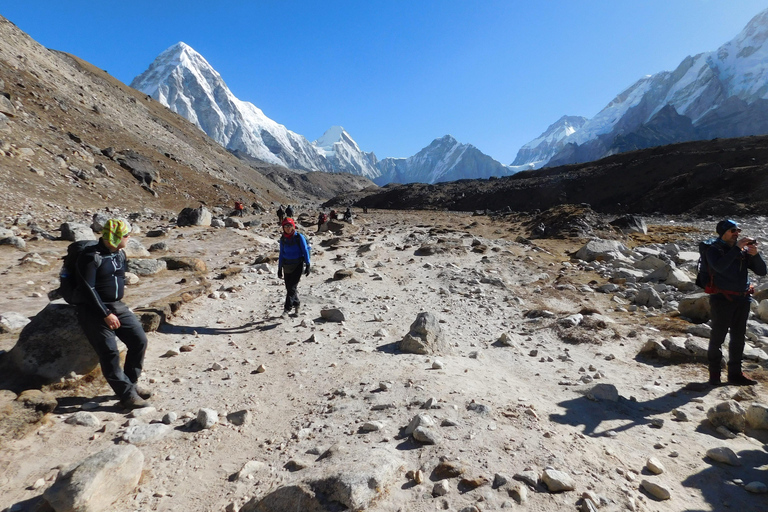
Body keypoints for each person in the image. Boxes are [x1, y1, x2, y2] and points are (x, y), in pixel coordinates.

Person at [74, 219, 152, 409]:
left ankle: (131, 385)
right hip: (93, 309)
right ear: (116, 237)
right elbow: (88, 289)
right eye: (126, 235)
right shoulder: (90, 257)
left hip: (117, 306)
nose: (129, 238)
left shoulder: (119, 254)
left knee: (139, 340)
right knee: (110, 353)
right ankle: (127, 396)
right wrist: (105, 314)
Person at [706, 219, 767, 386]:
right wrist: (736, 248)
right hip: (722, 300)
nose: (737, 233)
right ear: (723, 232)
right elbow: (719, 267)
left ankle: (735, 374)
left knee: (738, 338)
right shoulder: (714, 250)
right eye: (733, 230)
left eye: (738, 230)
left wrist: (755, 255)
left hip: (743, 298)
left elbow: (762, 271)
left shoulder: (741, 251)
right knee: (718, 337)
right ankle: (714, 375)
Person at [277, 218, 310, 318]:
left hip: (297, 265)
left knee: (291, 288)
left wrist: (308, 264)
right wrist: (279, 268)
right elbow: (281, 254)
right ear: (283, 228)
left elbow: (305, 250)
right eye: (286, 226)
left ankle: (286, 310)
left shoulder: (299, 237)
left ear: (293, 226)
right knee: (289, 288)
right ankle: (297, 304)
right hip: (286, 265)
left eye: (290, 226)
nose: (288, 228)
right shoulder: (283, 238)